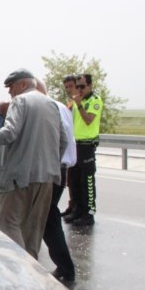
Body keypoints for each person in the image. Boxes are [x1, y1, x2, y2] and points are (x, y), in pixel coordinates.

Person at [0, 69, 65, 259]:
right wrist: (49, 163)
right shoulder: (52, 104)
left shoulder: (20, 101)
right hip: (46, 178)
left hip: (19, 178)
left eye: (11, 87)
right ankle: (32, 273)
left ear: (23, 85)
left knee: (8, 224)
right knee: (33, 229)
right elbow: (64, 141)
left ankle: (21, 268)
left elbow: (10, 132)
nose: (10, 93)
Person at [35, 79, 77, 283]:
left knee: (47, 217)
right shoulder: (59, 106)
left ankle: (65, 268)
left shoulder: (48, 108)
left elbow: (58, 140)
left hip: (52, 169)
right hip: (60, 167)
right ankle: (63, 266)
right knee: (47, 216)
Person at [64, 73, 103, 226]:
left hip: (87, 145)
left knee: (87, 181)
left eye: (82, 86)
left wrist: (79, 104)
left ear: (90, 86)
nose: (79, 89)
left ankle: (89, 213)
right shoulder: (75, 102)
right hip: (75, 144)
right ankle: (77, 210)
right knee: (74, 180)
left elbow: (88, 120)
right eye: (77, 86)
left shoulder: (95, 101)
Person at [60, 75, 78, 217]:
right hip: (72, 145)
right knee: (71, 179)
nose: (68, 89)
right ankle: (72, 206)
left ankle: (86, 212)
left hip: (84, 144)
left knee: (82, 181)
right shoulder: (70, 104)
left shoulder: (84, 102)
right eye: (66, 87)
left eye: (70, 86)